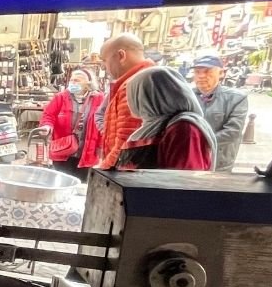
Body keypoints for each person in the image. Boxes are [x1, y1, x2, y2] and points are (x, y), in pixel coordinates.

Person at [115, 67, 215, 171]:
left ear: (148, 96)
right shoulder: (155, 126)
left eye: (134, 94)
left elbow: (183, 181)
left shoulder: (183, 128)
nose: (129, 101)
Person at [98, 33, 154, 168]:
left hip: (125, 173)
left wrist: (103, 169)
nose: (106, 67)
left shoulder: (133, 85)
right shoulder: (146, 78)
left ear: (121, 56)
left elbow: (125, 146)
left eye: (105, 61)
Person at [38, 68, 104, 181]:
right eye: (72, 80)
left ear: (88, 84)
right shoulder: (61, 97)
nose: (73, 83)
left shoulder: (99, 99)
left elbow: (103, 123)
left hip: (87, 151)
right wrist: (47, 125)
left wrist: (101, 145)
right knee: (61, 181)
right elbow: (49, 114)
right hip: (63, 149)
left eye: (77, 80)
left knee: (82, 183)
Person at [191, 55, 249, 172]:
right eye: (197, 72)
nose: (201, 76)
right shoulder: (185, 96)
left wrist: (198, 143)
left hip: (219, 163)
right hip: (191, 160)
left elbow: (233, 131)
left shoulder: (236, 98)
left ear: (221, 73)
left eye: (207, 71)